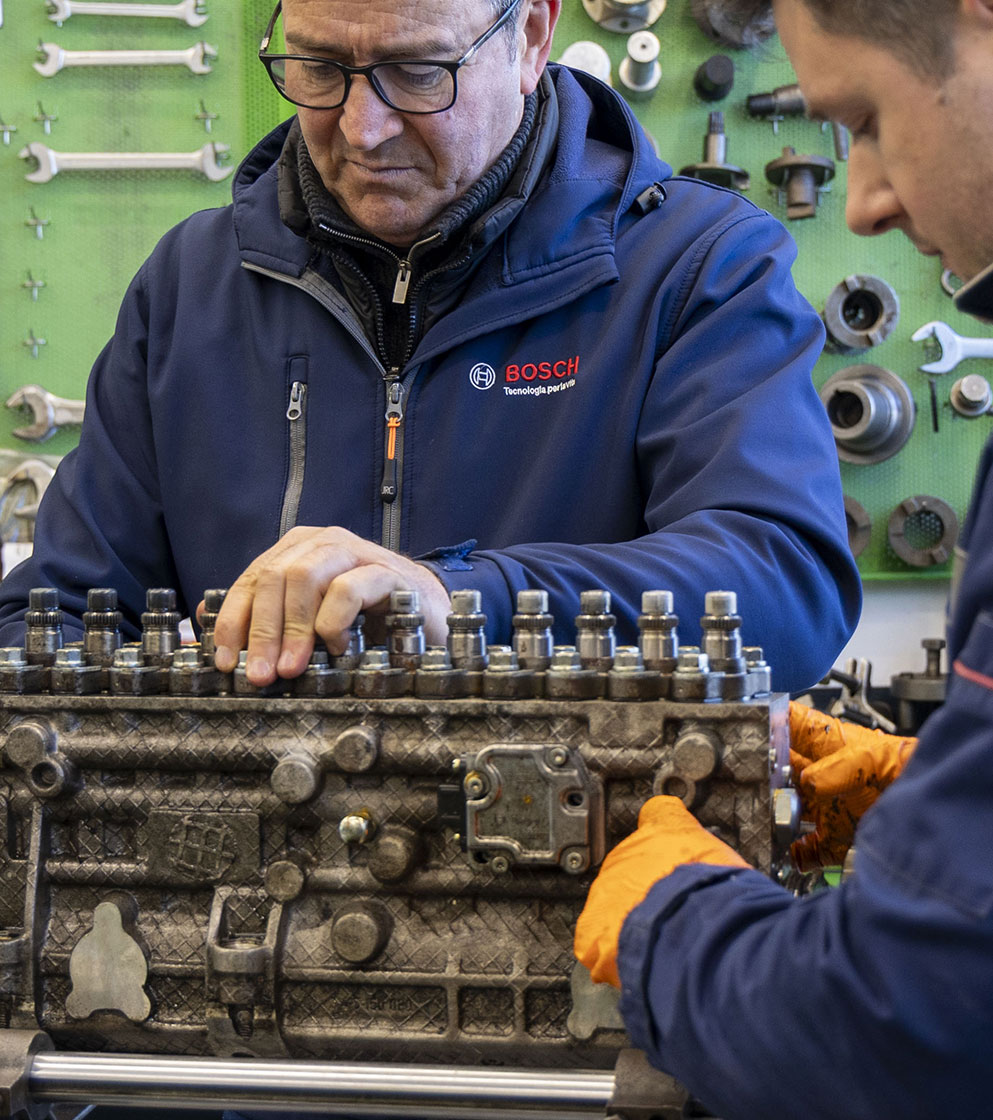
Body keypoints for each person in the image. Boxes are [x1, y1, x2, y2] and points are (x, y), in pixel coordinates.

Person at [0, 0, 859, 694]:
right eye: (319, 68)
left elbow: (784, 589)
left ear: (529, 39)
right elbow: (52, 617)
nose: (362, 128)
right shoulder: (190, 283)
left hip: (582, 878)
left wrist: (454, 602)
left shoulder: (698, 267)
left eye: (417, 72)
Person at [575, 1, 993, 1116]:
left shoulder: (702, 258)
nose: (861, 203)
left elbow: (901, 1028)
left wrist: (673, 916)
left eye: (864, 118)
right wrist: (938, 793)